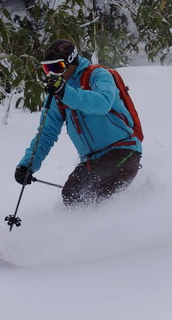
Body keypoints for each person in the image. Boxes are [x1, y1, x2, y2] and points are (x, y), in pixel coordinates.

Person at [15, 39, 142, 207]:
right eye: (47, 69)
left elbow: (103, 103)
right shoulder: (58, 95)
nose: (53, 74)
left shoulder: (98, 75)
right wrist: (27, 165)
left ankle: (118, 228)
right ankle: (76, 232)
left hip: (123, 150)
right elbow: (46, 133)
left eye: (56, 68)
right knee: (71, 196)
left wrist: (65, 91)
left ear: (71, 62)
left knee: (96, 195)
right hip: (91, 161)